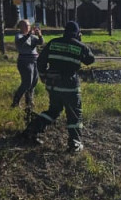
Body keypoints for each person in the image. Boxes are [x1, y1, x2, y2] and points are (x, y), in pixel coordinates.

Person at [25, 21, 95, 153]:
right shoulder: (80, 46)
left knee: (54, 110)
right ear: (77, 33)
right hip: (70, 87)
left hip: (53, 85)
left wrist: (44, 75)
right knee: (74, 115)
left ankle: (31, 130)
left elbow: (40, 61)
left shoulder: (53, 43)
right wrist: (79, 41)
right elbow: (90, 60)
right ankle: (75, 143)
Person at [12, 19, 44, 109]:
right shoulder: (18, 35)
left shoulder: (32, 36)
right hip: (24, 62)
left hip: (34, 62)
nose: (28, 27)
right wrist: (29, 34)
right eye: (26, 25)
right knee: (26, 83)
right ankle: (15, 102)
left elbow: (40, 43)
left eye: (29, 25)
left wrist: (39, 35)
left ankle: (29, 101)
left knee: (34, 82)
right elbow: (20, 42)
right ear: (21, 27)